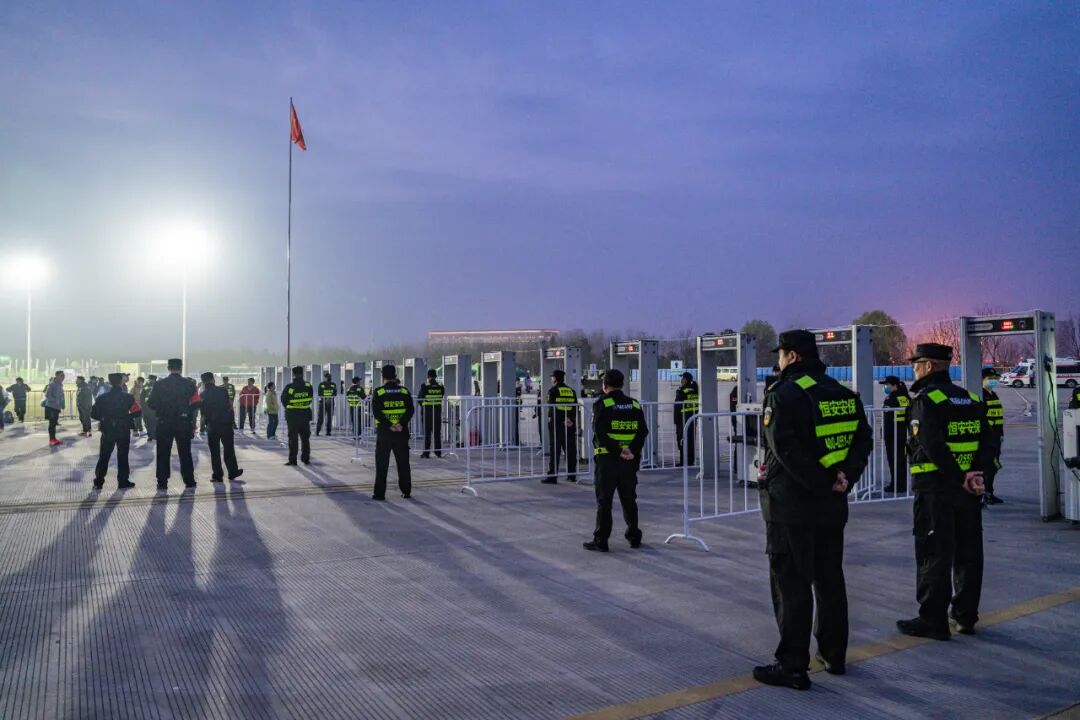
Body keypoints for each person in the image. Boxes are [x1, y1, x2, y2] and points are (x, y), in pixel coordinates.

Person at [753, 330, 872, 691]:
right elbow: (863, 440)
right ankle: (834, 654)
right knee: (829, 580)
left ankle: (792, 665)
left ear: (792, 356)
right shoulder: (843, 393)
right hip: (831, 505)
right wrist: (844, 477)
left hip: (792, 506)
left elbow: (785, 449)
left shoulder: (783, 394)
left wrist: (823, 480)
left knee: (792, 584)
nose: (778, 361)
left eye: (780, 355)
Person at [896, 343, 997, 641]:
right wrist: (978, 476)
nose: (914, 369)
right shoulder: (969, 398)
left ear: (929, 366)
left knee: (934, 554)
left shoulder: (926, 401)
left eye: (916, 364)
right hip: (969, 491)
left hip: (936, 490)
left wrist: (960, 477)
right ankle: (965, 616)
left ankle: (932, 621)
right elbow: (989, 442)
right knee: (968, 552)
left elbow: (933, 446)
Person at [585, 368, 649, 552]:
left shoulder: (603, 404)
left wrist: (619, 450)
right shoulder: (634, 405)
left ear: (605, 385)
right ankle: (634, 536)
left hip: (608, 460)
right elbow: (642, 432)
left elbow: (600, 434)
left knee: (604, 502)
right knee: (629, 500)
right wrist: (631, 451)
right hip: (629, 461)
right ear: (622, 384)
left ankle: (601, 540)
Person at [147, 358, 200, 489]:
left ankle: (162, 481)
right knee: (185, 452)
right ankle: (189, 480)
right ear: (181, 368)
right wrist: (187, 412)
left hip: (164, 421)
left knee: (163, 452)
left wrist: (162, 408)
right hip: (183, 422)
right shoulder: (189, 384)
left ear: (168, 368)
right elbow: (196, 403)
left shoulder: (159, 384)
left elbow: (151, 403)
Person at [371, 364, 415, 500]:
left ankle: (380, 494)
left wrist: (390, 425)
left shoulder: (379, 392)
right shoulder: (404, 391)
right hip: (401, 432)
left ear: (383, 376)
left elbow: (377, 413)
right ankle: (406, 491)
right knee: (403, 463)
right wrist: (400, 424)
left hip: (385, 432)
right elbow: (410, 410)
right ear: (395, 375)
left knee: (382, 464)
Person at [90, 373, 140, 489]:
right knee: (123, 456)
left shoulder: (102, 398)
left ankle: (99, 481)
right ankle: (123, 481)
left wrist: (104, 418)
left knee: (104, 456)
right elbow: (137, 411)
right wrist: (126, 418)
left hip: (108, 429)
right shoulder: (128, 397)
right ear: (121, 382)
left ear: (109, 382)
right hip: (123, 429)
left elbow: (93, 413)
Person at [200, 372, 244, 482]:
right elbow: (229, 405)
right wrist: (231, 420)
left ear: (203, 382)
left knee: (214, 452)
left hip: (212, 425)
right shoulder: (222, 391)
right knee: (229, 448)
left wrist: (207, 423)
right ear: (212, 380)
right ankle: (233, 472)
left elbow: (203, 411)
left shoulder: (203, 395)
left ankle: (217, 475)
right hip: (226, 424)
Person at [543, 369, 578, 484]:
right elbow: (575, 407)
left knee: (555, 450)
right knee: (570, 450)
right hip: (570, 423)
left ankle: (552, 476)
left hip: (556, 424)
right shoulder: (571, 391)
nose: (551, 379)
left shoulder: (553, 391)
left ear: (555, 378)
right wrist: (569, 419)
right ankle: (572, 475)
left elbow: (552, 408)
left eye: (552, 377)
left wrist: (560, 419)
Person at [880, 375, 911, 493]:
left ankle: (896, 485)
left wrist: (884, 433)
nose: (885, 387)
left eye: (887, 385)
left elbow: (887, 419)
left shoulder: (890, 398)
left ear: (894, 385)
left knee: (893, 460)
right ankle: (902, 484)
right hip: (903, 433)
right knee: (901, 460)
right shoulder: (906, 397)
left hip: (892, 434)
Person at [981, 368, 1005, 505]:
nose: (993, 381)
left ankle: (989, 492)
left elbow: (998, 417)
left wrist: (1001, 434)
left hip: (996, 437)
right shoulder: (981, 395)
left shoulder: (993, 394)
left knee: (993, 466)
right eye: (990, 379)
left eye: (995, 379)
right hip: (987, 438)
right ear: (982, 379)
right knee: (988, 466)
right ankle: (986, 493)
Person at [281, 366, 314, 465]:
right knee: (305, 439)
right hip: (305, 415)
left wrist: (290, 407)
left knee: (293, 438)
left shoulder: (290, 387)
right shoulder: (308, 386)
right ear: (302, 373)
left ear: (293, 374)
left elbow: (284, 400)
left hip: (292, 416)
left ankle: (293, 460)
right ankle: (305, 458)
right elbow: (310, 398)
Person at [674, 371, 700, 466]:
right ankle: (690, 461)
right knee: (691, 440)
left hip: (682, 419)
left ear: (686, 380)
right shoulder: (695, 389)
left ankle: (683, 461)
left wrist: (676, 420)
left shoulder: (682, 391)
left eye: (683, 378)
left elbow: (677, 406)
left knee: (682, 440)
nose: (681, 380)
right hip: (692, 418)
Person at [418, 369, 444, 458]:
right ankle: (438, 452)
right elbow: (441, 396)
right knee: (437, 432)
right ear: (435, 376)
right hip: (437, 411)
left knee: (427, 433)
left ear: (428, 376)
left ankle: (426, 453)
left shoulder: (425, 385)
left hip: (427, 411)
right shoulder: (440, 386)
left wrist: (423, 405)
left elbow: (420, 399)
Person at [44, 371, 66, 446]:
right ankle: (51, 440)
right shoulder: (52, 384)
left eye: (63, 375)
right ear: (56, 376)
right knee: (52, 424)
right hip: (51, 407)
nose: (63, 377)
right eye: (61, 375)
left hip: (56, 407)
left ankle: (54, 439)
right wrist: (56, 401)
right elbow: (47, 395)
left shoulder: (60, 385)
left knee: (54, 424)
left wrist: (60, 403)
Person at [316, 371, 337, 436]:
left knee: (330, 418)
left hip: (331, 403)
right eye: (327, 377)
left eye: (330, 377)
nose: (329, 378)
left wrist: (330, 398)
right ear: (325, 378)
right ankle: (317, 431)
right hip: (322, 403)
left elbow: (335, 393)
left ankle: (328, 431)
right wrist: (326, 399)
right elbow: (320, 393)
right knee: (320, 418)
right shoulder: (321, 384)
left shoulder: (333, 384)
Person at [141, 375, 158, 441]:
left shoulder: (146, 386)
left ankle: (151, 435)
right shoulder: (158, 386)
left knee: (148, 423)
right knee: (153, 422)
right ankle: (153, 435)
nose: (149, 380)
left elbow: (142, 397)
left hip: (147, 408)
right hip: (153, 409)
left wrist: (143, 407)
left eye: (150, 379)